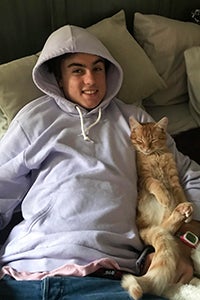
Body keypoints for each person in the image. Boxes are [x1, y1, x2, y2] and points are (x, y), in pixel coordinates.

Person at [0, 25, 199, 300]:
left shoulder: (136, 122)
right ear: (59, 78)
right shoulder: (33, 118)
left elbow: (190, 175)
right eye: (77, 70)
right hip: (29, 271)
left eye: (98, 68)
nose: (91, 80)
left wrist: (184, 245)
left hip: (112, 278)